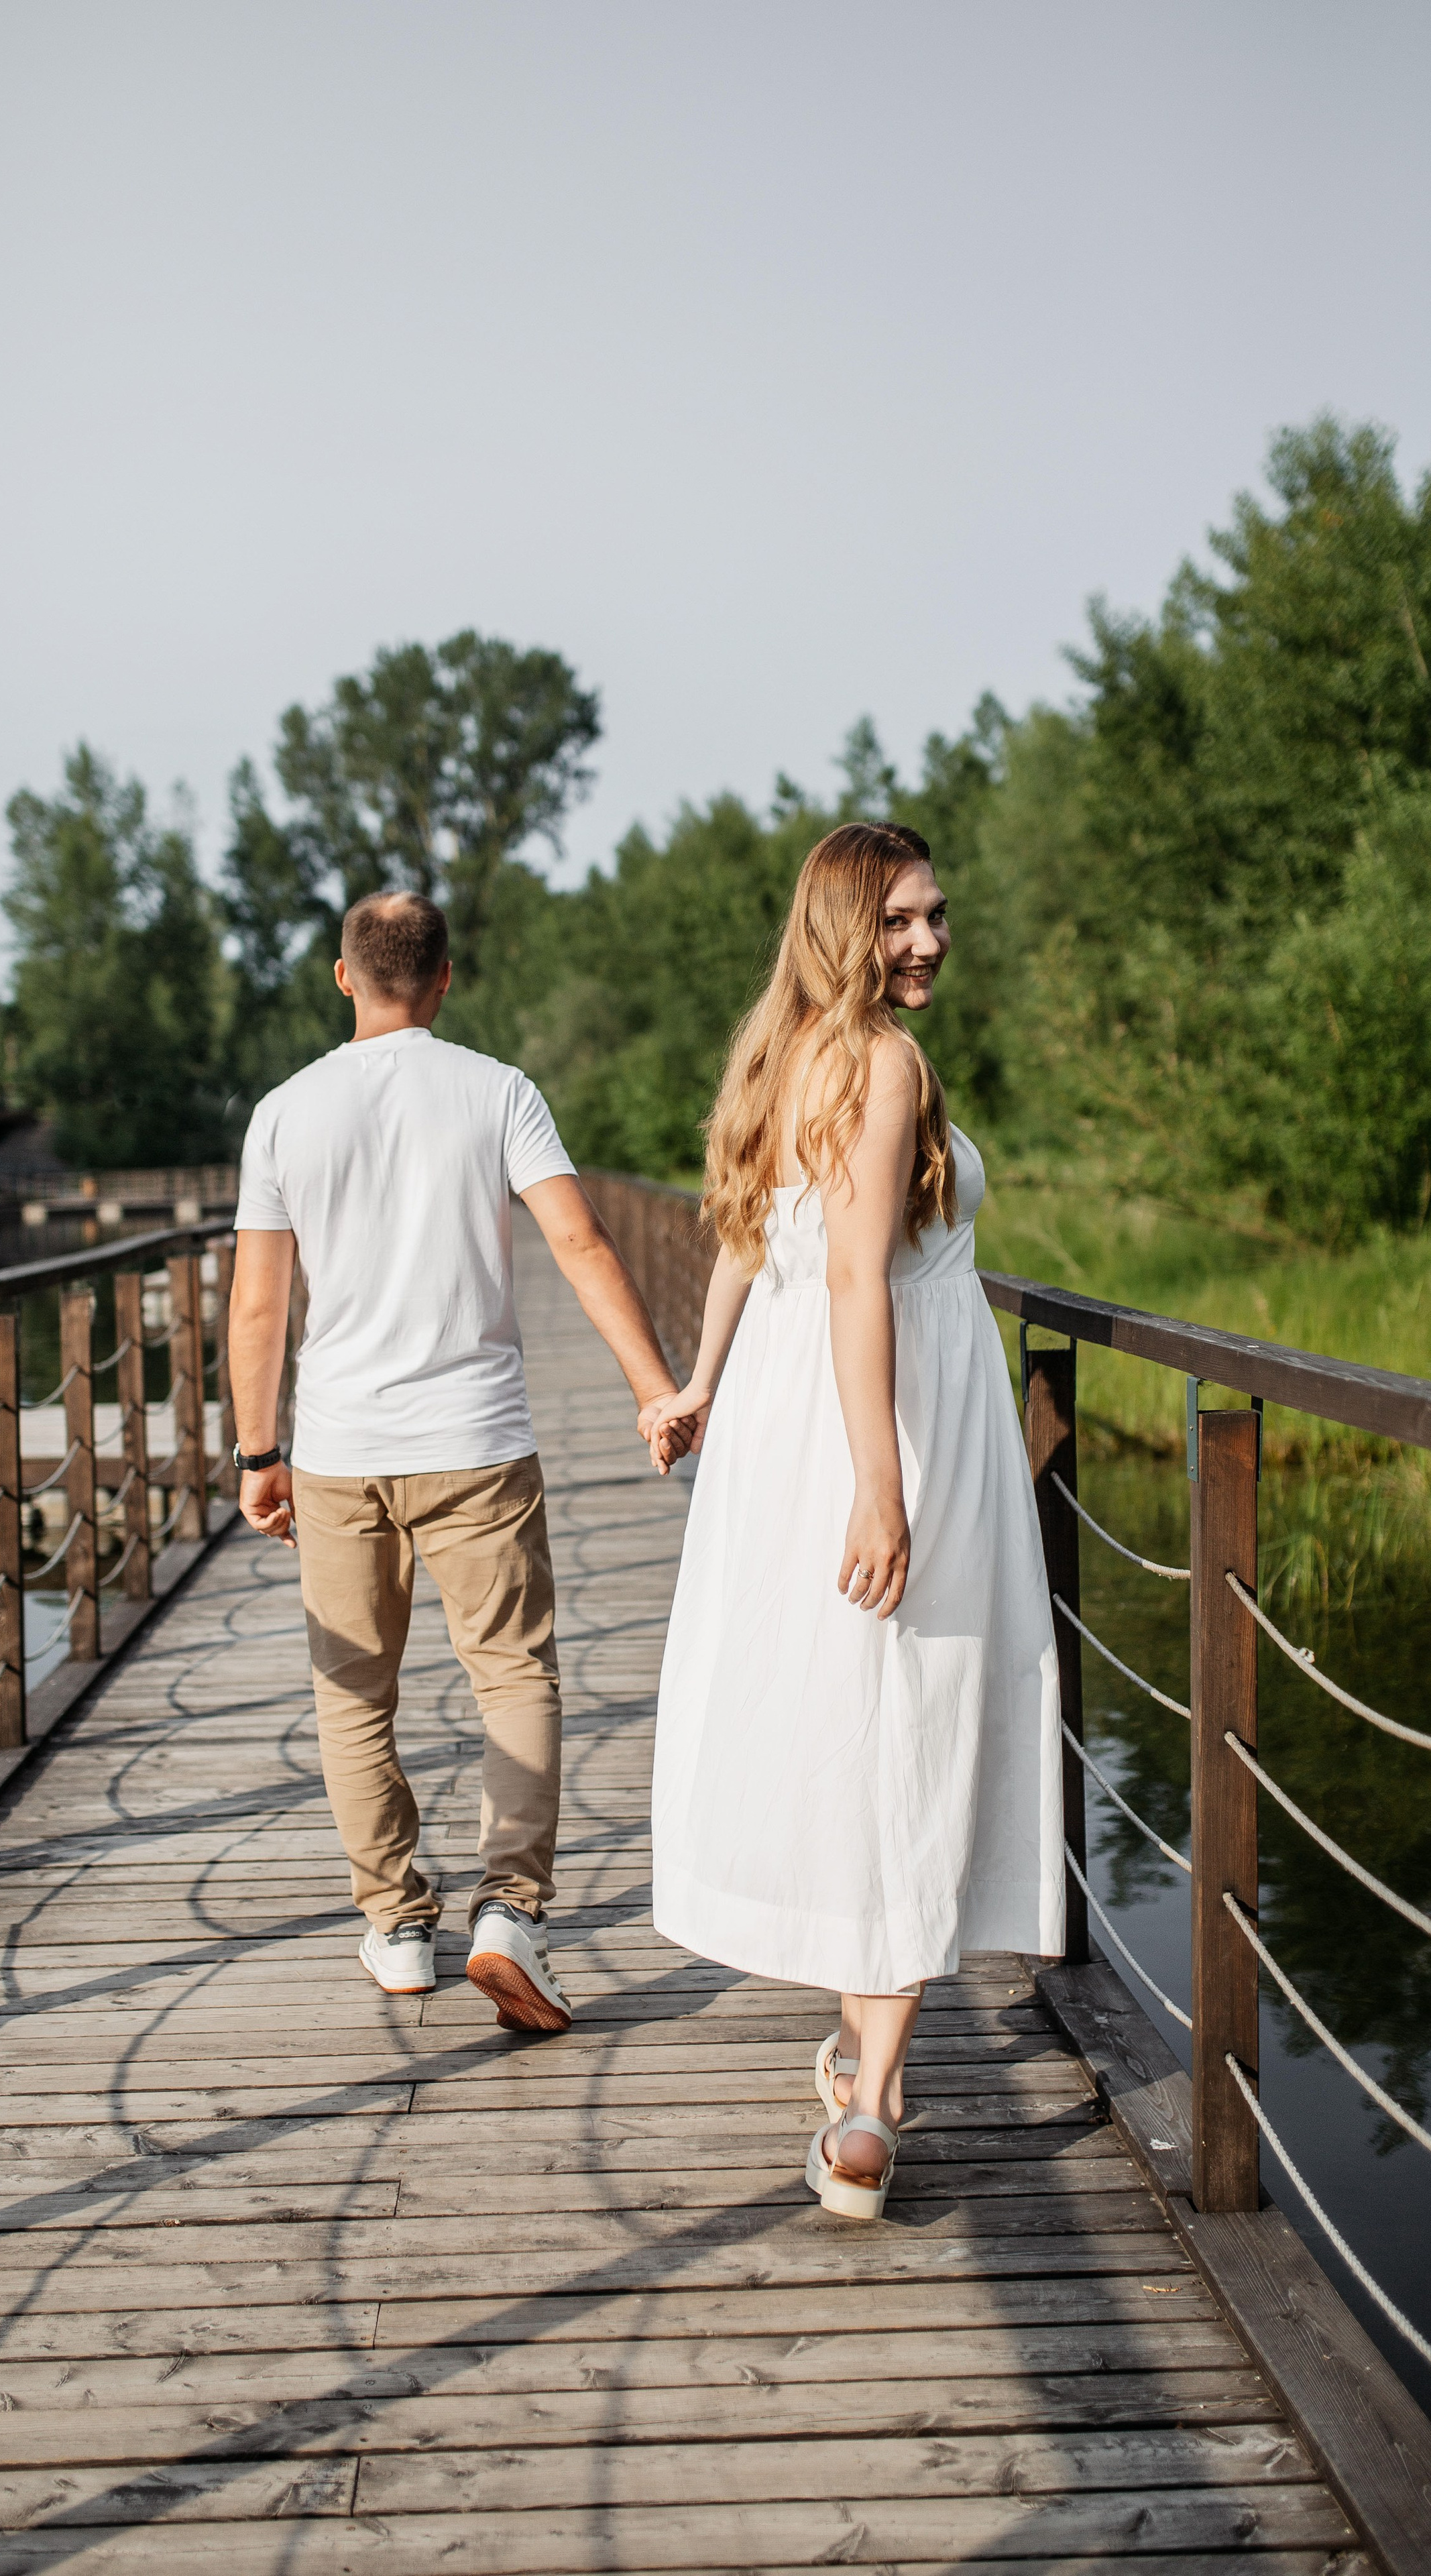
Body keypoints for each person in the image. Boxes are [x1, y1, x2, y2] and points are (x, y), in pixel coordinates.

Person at [639, 822, 1063, 2219]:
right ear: (842, 927)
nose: (930, 939)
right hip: (883, 1420)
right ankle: (871, 2104)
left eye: (936, 914)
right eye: (898, 921)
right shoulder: (879, 1063)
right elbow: (855, 1284)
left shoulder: (784, 1050)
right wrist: (882, 1485)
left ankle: (855, 2062)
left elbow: (744, 1241)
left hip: (788, 1421)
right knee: (912, 1723)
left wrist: (699, 1385)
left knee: (865, 1718)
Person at [228, 889, 687, 2033]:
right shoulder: (497, 1090)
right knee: (514, 1676)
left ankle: (393, 1925)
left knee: (354, 1696)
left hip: (338, 1450)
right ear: (444, 979)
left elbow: (257, 1303)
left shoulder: (285, 1112)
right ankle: (510, 1914)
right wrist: (654, 1389)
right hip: (477, 1442)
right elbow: (578, 1239)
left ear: (345, 977)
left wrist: (258, 1451)